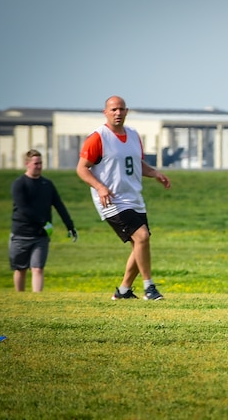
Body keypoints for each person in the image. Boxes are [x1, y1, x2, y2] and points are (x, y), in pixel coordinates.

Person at [76, 95, 171, 301]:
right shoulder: (98, 137)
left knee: (140, 244)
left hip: (134, 197)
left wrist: (155, 173)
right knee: (142, 237)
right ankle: (149, 288)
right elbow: (82, 168)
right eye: (113, 110)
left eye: (121, 109)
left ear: (126, 111)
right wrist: (100, 187)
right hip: (112, 201)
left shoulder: (134, 135)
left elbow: (136, 164)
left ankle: (124, 291)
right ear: (105, 112)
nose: (117, 113)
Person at [10, 149, 78, 292]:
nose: (39, 166)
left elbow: (59, 205)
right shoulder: (19, 184)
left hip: (41, 235)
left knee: (38, 268)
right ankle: (19, 297)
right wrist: (43, 221)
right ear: (27, 164)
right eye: (36, 163)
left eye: (40, 163)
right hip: (21, 234)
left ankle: (37, 299)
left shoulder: (47, 184)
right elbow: (23, 208)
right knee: (20, 269)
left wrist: (69, 225)